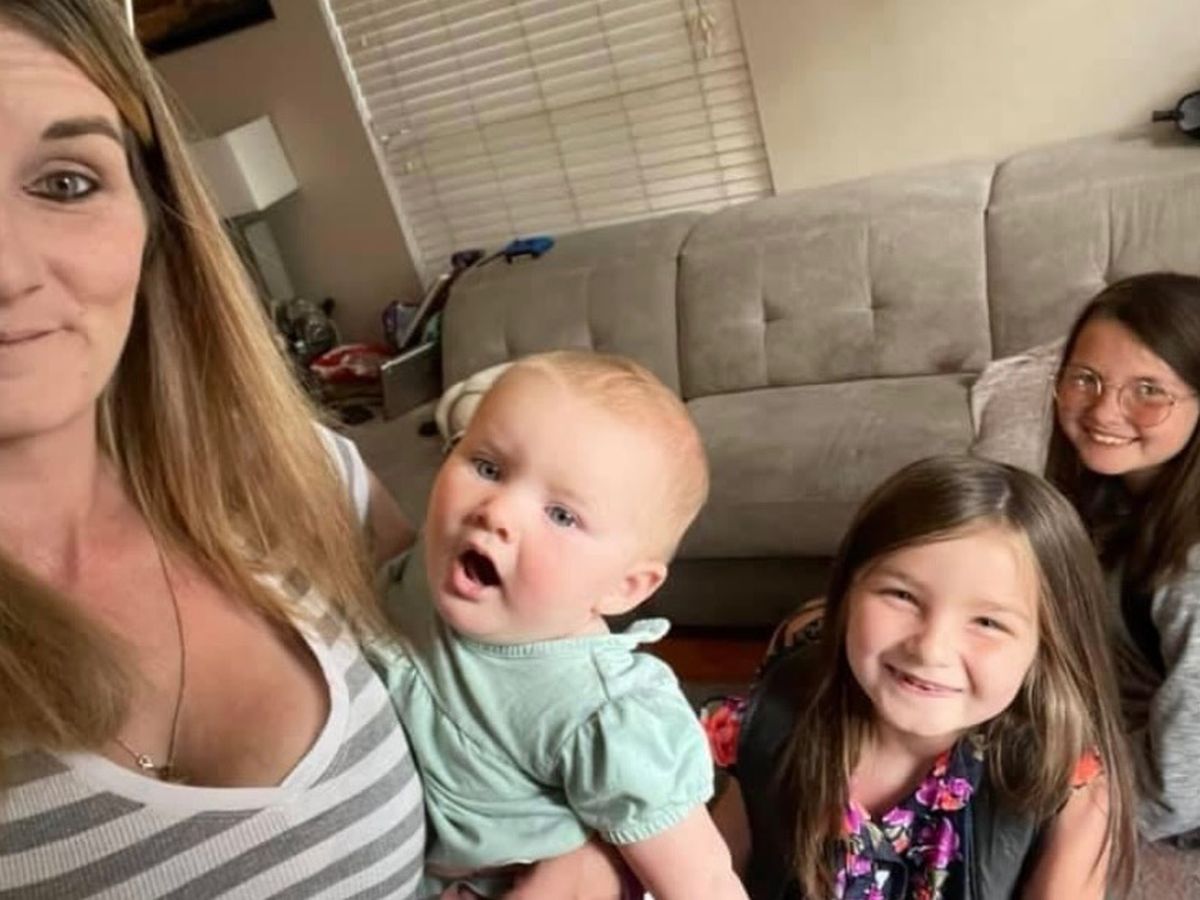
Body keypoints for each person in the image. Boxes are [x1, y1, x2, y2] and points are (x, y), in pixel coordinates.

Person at [0, 3, 618, 897]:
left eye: (65, 183)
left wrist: (588, 859)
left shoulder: (300, 479)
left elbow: (528, 710)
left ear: (152, 218)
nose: (9, 269)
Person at [373, 350, 746, 900]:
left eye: (562, 515)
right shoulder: (422, 564)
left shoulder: (602, 714)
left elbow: (704, 882)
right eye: (488, 467)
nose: (495, 512)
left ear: (624, 588)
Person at [708, 455, 1136, 899]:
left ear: (1047, 646)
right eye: (902, 595)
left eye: (987, 622)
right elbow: (715, 868)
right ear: (847, 592)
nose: (930, 648)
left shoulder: (1066, 778)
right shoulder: (779, 711)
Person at [1045, 272, 1200, 842]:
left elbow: (1176, 788)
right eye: (1085, 379)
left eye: (1149, 390)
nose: (1104, 412)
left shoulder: (1193, 569)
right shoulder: (1111, 495)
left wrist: (1051, 799)